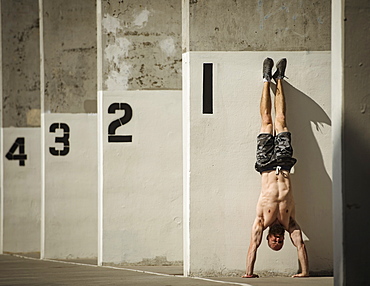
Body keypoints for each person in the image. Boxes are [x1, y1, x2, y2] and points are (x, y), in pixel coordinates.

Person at [242, 58, 309, 278]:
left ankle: (265, 79)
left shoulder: (263, 221)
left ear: (268, 238)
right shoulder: (291, 223)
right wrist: (304, 272)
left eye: (275, 241)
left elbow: (253, 246)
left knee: (267, 121)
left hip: (265, 166)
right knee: (281, 119)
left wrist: (249, 273)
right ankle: (278, 77)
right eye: (280, 242)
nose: (278, 239)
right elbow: (300, 246)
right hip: (284, 162)